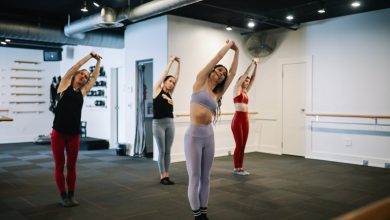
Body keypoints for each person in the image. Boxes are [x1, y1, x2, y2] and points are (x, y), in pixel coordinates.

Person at [185, 40, 239, 220]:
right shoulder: (200, 81)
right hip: (193, 135)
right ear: (213, 71)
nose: (222, 74)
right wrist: (228, 46)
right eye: (219, 70)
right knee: (194, 176)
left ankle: (204, 212)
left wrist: (237, 51)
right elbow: (217, 57)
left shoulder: (218, 94)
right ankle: (196, 214)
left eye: (223, 74)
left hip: (208, 136)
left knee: (206, 177)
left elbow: (233, 73)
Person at [50, 51, 102, 207]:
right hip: (58, 133)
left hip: (74, 135)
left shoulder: (83, 92)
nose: (84, 77)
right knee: (60, 165)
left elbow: (94, 78)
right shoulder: (64, 85)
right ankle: (63, 195)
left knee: (71, 166)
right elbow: (75, 67)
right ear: (75, 76)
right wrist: (89, 57)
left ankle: (71, 194)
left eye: (86, 77)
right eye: (82, 75)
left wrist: (98, 62)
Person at [152, 55, 180, 185]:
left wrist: (179, 64)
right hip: (158, 124)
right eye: (170, 81)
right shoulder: (156, 91)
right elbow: (164, 74)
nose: (172, 83)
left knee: (168, 151)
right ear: (164, 82)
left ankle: (167, 175)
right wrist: (171, 62)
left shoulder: (170, 93)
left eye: (173, 82)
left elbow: (177, 79)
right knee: (161, 150)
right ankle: (162, 176)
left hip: (170, 123)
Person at [231, 58, 258, 176]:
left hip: (245, 120)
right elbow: (246, 74)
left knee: (243, 145)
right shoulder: (237, 89)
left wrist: (257, 65)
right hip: (237, 120)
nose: (247, 81)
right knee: (239, 144)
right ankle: (236, 168)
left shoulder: (246, 92)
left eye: (248, 81)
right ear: (241, 81)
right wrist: (252, 63)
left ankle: (241, 167)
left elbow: (253, 78)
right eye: (245, 80)